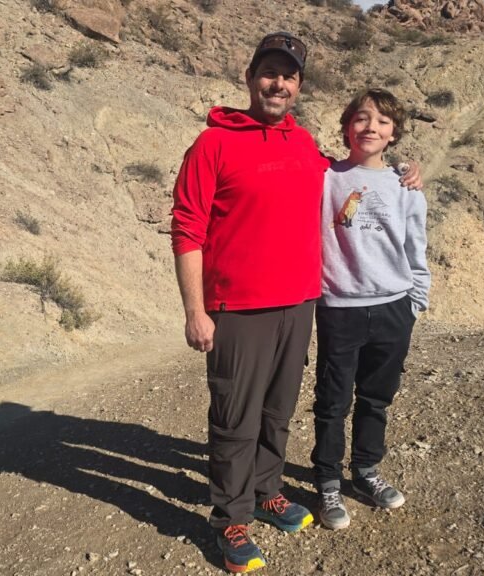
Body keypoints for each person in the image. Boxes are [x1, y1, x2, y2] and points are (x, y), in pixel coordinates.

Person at [171, 33, 421, 572]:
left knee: (277, 411)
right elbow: (187, 228)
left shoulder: (304, 145)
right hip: (237, 307)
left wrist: (403, 170)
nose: (278, 84)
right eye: (269, 73)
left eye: (288, 76)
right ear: (250, 78)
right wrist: (195, 310)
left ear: (299, 87)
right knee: (235, 416)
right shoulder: (213, 144)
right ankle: (231, 517)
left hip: (302, 303)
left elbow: (355, 171)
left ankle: (266, 490)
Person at [311, 88, 431, 531]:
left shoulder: (405, 187)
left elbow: (416, 247)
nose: (370, 127)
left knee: (376, 398)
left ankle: (365, 470)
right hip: (340, 307)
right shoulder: (325, 176)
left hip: (394, 308)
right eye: (361, 118)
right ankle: (327, 481)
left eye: (382, 121)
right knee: (333, 400)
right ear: (347, 126)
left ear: (393, 133)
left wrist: (415, 302)